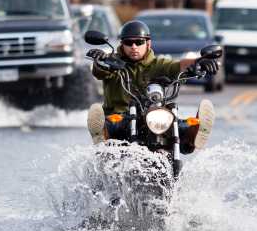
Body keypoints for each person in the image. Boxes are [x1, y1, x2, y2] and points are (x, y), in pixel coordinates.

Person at [86, 20, 219, 154]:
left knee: (175, 124)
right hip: (119, 117)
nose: (134, 46)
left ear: (148, 43)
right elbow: (99, 71)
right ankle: (101, 134)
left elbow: (178, 66)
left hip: (153, 118)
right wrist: (100, 61)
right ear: (121, 44)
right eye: (128, 42)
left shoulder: (157, 64)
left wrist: (199, 62)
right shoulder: (112, 62)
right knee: (111, 125)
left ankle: (194, 134)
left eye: (139, 42)